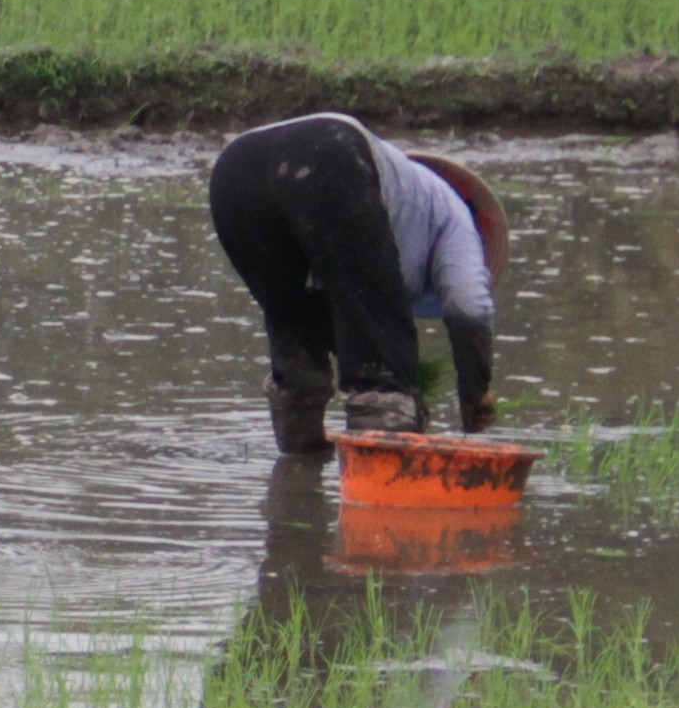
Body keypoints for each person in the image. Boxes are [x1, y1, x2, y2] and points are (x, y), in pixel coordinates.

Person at [204, 113, 511, 455]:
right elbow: (469, 308)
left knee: (296, 334)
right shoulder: (459, 216)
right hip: (329, 151)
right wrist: (475, 392)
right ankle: (383, 487)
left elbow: (342, 297)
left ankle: (298, 481)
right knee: (382, 376)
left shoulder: (405, 191)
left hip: (234, 172)